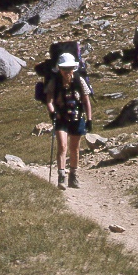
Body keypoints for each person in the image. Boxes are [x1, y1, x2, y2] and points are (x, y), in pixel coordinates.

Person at [45, 51, 92, 189]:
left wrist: (89, 119)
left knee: (75, 148)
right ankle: (61, 177)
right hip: (61, 119)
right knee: (62, 146)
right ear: (59, 68)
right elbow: (49, 100)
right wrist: (52, 113)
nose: (67, 71)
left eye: (69, 68)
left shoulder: (79, 81)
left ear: (74, 68)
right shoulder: (54, 82)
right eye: (64, 68)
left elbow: (86, 101)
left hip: (77, 118)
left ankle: (73, 176)